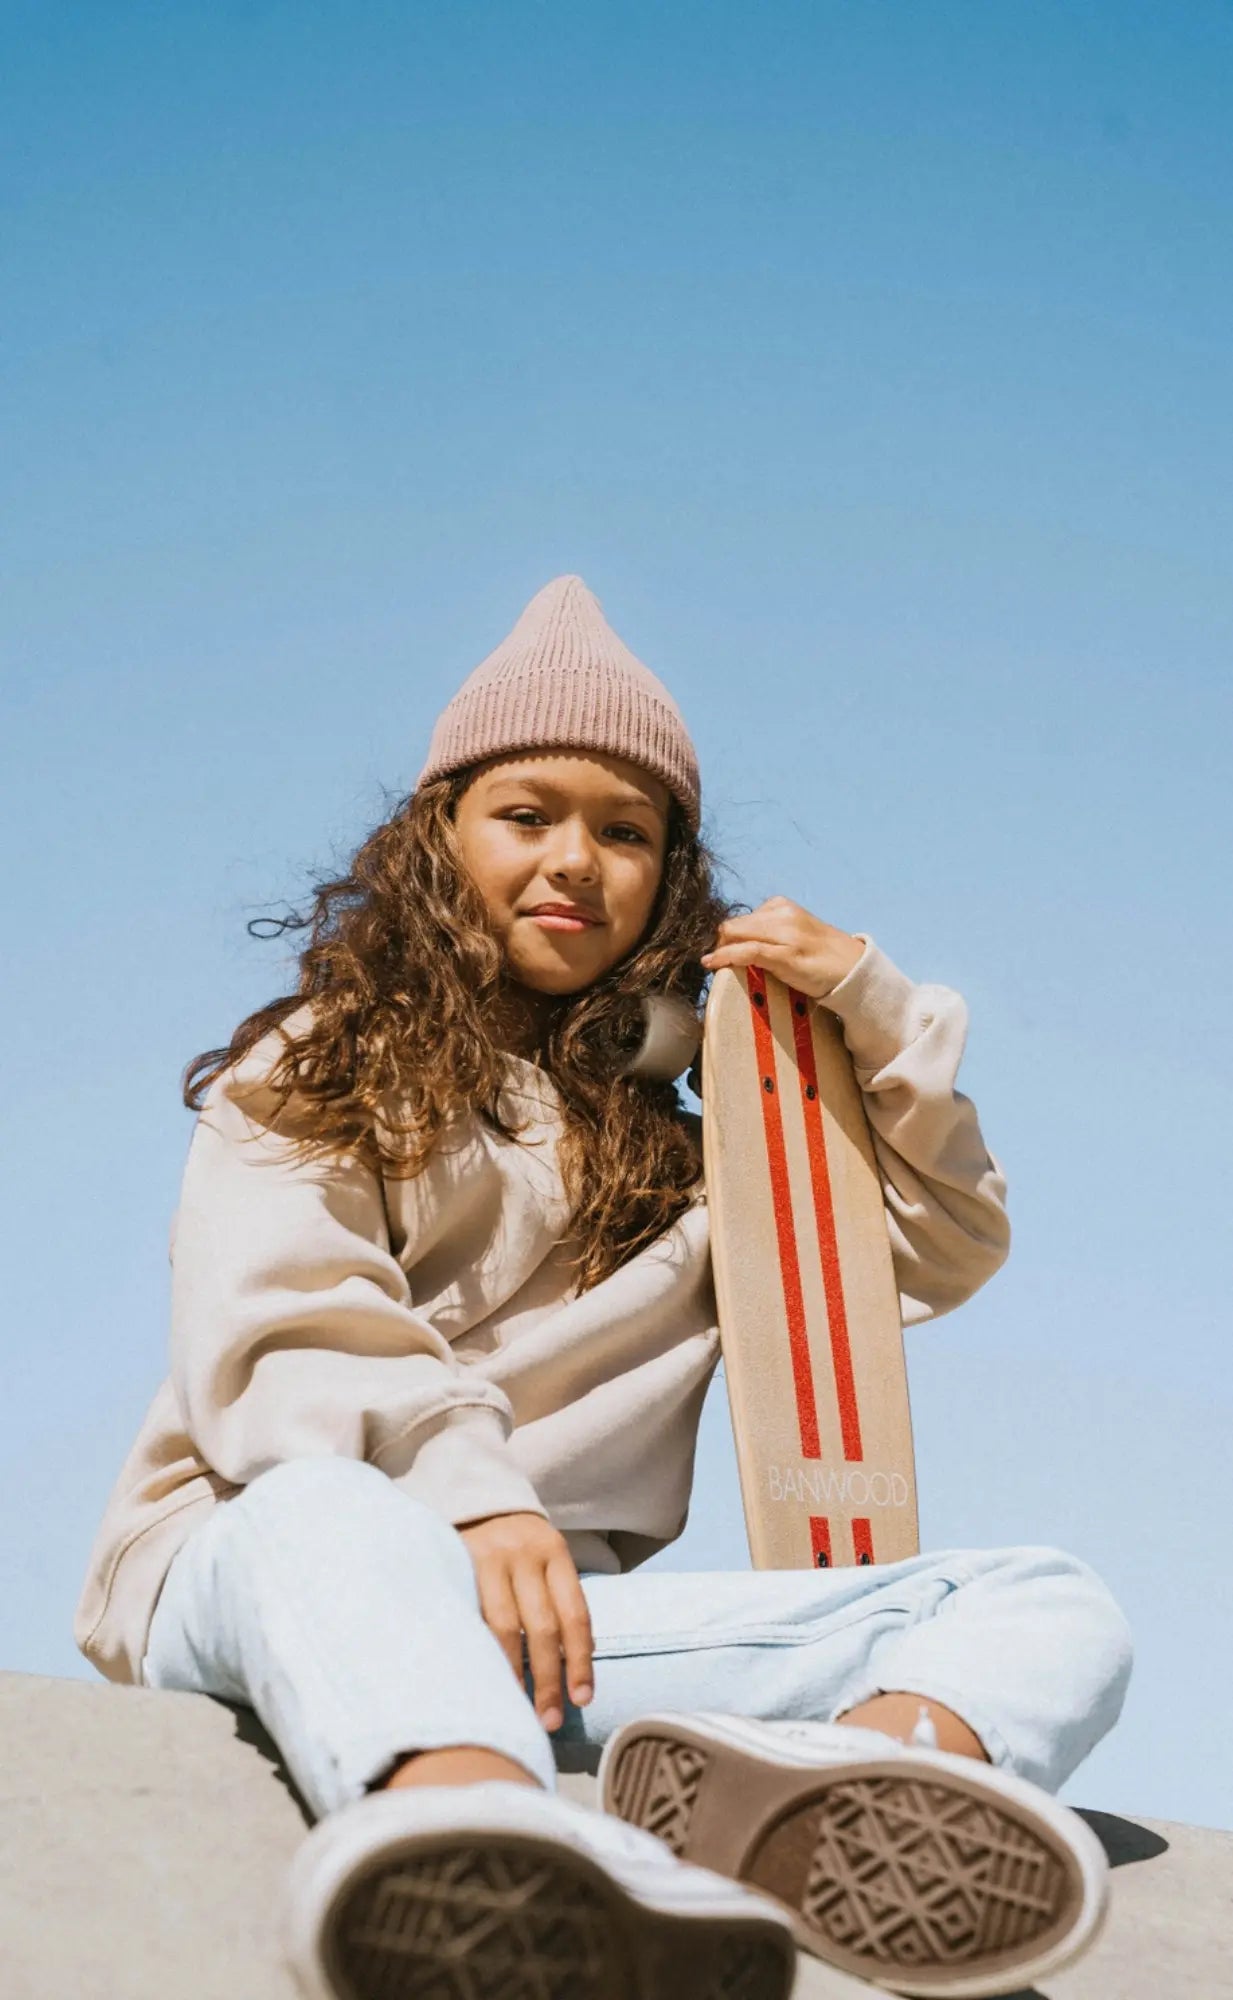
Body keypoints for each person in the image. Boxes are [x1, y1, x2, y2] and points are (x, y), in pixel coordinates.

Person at [75, 575, 1133, 2000]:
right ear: (439, 841)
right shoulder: (319, 1063)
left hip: (543, 1636)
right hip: (271, 1563)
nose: (574, 859)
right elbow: (291, 1332)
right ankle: (476, 1857)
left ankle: (826, 1810)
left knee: (1050, 1602)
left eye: (623, 832)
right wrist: (470, 1486)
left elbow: (940, 1240)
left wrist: (876, 1009)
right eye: (526, 815)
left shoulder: (708, 1170)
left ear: (669, 880)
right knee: (330, 1508)